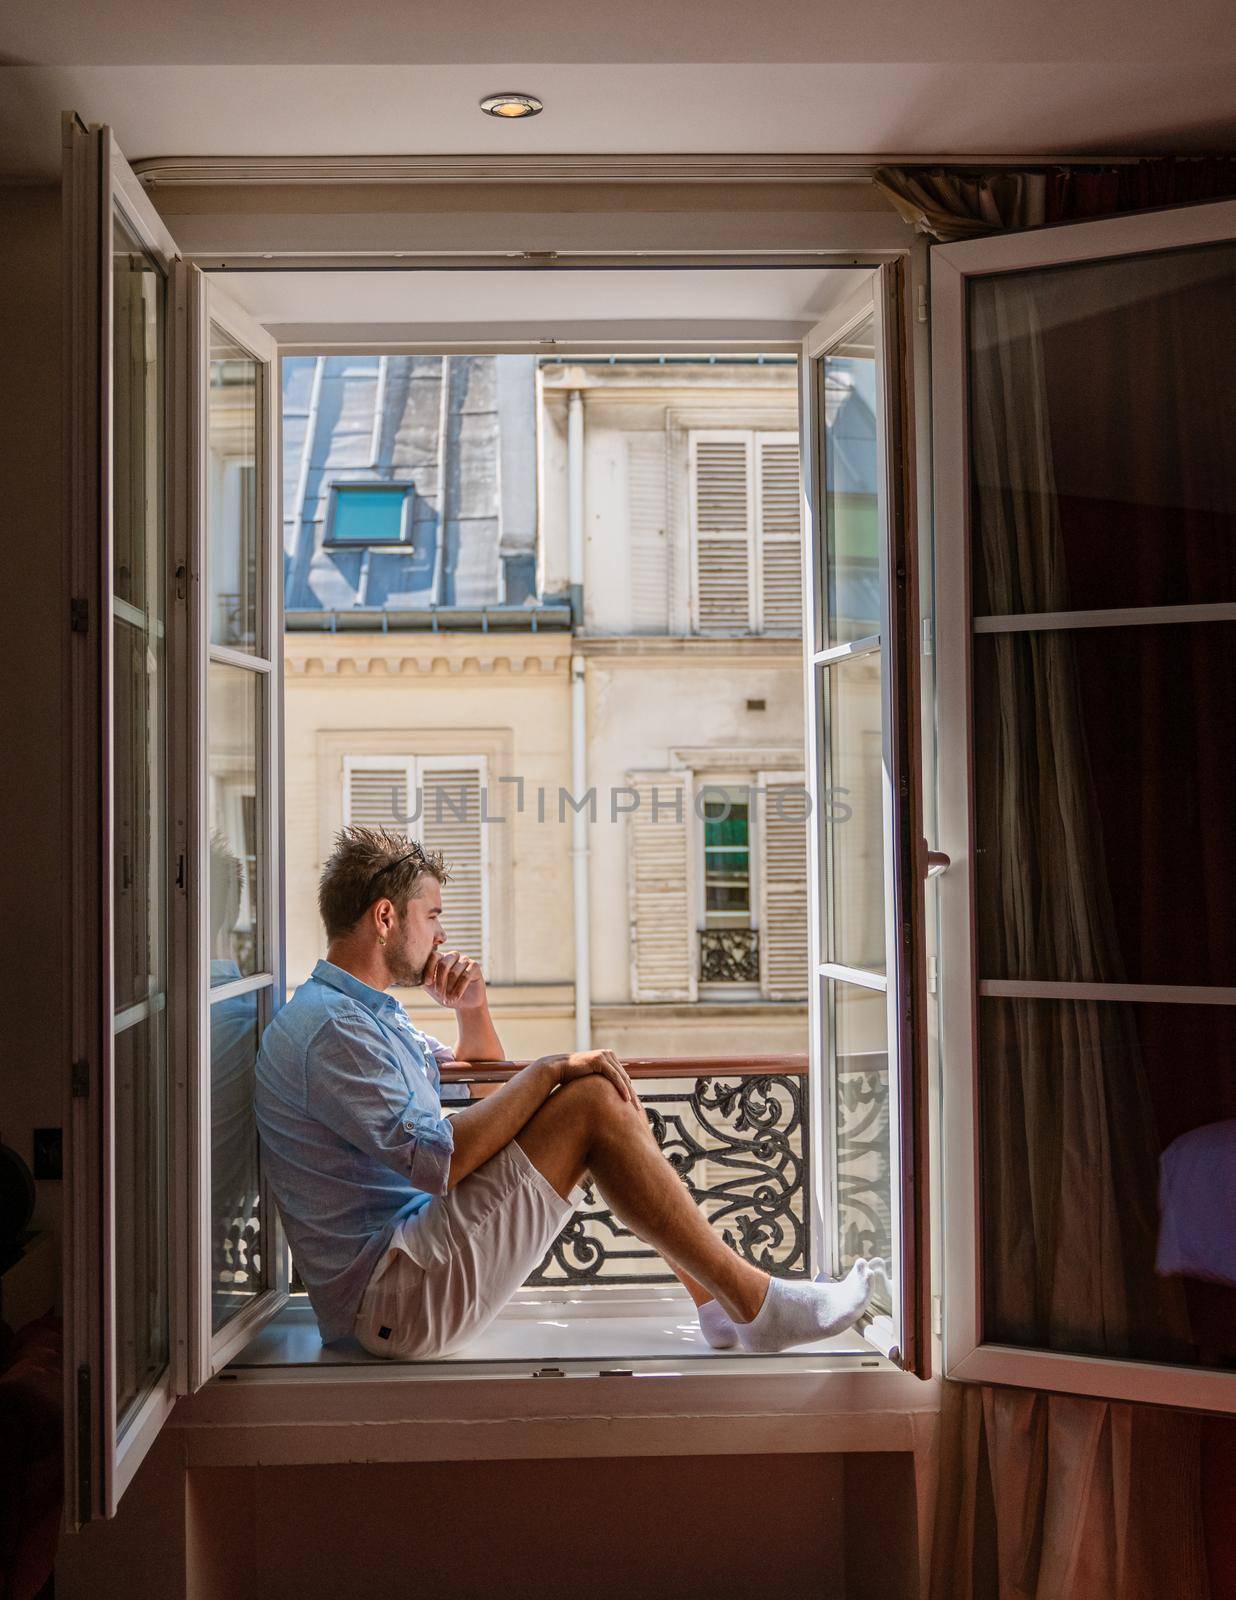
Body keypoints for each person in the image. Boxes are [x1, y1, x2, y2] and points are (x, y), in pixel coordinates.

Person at [255, 826, 883, 1360]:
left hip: (406, 1266)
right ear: (386, 918)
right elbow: (441, 1161)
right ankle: (756, 1306)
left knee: (585, 1097)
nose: (441, 935)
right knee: (585, 1100)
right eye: (433, 915)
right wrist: (551, 1069)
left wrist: (472, 1009)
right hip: (392, 1299)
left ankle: (722, 1305)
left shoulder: (358, 1014)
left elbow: (478, 1082)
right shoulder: (334, 1030)